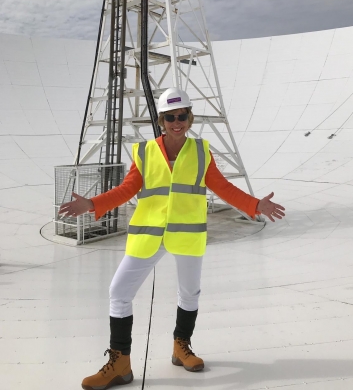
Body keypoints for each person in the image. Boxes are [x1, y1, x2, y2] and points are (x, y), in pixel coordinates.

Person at [59, 87, 286, 390]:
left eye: (181, 116)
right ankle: (121, 364)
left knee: (189, 293)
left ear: (189, 117)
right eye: (170, 117)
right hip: (148, 235)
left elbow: (223, 188)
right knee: (119, 291)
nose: (176, 122)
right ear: (161, 120)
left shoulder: (202, 151)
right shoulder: (144, 151)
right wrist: (93, 204)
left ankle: (181, 347)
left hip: (186, 235)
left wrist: (256, 205)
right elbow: (127, 189)